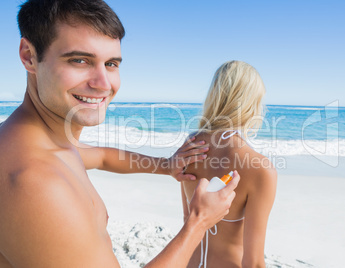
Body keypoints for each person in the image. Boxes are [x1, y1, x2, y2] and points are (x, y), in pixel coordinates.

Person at [0, 1, 240, 267]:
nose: (104, 84)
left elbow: (101, 156)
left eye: (111, 63)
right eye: (79, 60)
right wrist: (199, 222)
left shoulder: (40, 142)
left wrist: (165, 166)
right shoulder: (35, 183)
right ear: (29, 56)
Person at [181, 61, 277, 267]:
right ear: (253, 103)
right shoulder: (260, 168)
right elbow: (254, 262)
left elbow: (187, 223)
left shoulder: (190, 146)